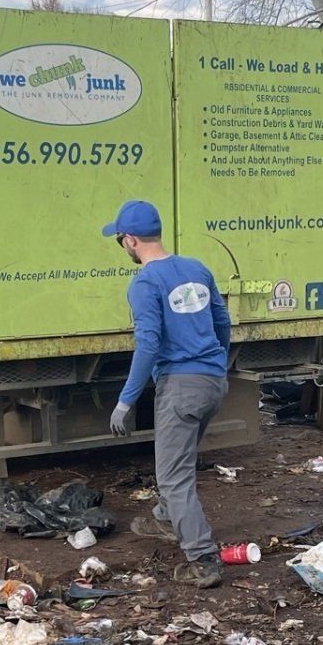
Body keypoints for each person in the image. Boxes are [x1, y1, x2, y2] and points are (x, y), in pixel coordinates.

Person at [103, 199, 231, 588]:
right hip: (213, 381)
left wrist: (126, 399)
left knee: (175, 477)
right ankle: (163, 517)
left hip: (180, 386)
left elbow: (148, 345)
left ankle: (203, 559)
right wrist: (216, 364)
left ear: (129, 240)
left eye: (119, 238)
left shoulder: (144, 282)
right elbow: (222, 322)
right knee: (180, 459)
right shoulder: (196, 268)